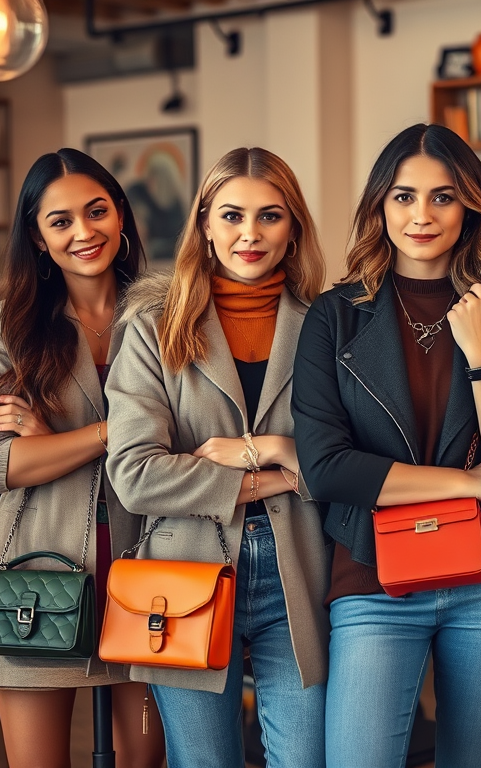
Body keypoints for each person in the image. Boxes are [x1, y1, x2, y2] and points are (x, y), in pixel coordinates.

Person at [291, 123, 481, 768]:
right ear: (379, 206)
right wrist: (468, 484)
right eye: (404, 197)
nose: (422, 215)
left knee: (474, 758)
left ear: (469, 205)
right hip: (375, 575)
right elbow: (328, 469)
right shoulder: (335, 317)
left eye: (442, 197)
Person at [105, 147, 330, 768]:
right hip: (184, 572)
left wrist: (263, 454)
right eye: (231, 215)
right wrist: (275, 478)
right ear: (204, 223)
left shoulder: (328, 325)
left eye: (270, 216)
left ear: (294, 228)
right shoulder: (155, 326)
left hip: (302, 569)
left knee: (306, 758)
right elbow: (133, 474)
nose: (249, 235)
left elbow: (351, 464)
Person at [0, 148, 165, 767]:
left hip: (152, 575)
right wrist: (112, 433)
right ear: (37, 236)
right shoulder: (6, 327)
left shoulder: (168, 316)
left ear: (121, 215)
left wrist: (50, 437)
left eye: (97, 211)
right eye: (60, 221)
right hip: (33, 574)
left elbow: (184, 442)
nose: (84, 232)